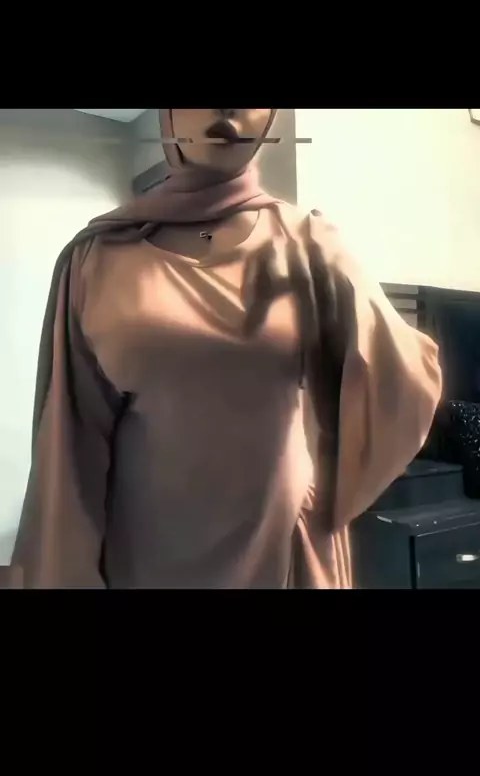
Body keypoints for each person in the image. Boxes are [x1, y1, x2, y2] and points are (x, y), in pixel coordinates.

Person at [11, 109, 442, 588]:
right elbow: (70, 447)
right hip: (143, 558)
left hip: (281, 552)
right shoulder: (94, 258)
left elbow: (403, 382)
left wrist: (338, 290)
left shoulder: (308, 245)